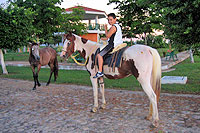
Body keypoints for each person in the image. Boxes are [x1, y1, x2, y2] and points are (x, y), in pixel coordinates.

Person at [93, 13, 123, 78]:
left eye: (111, 20)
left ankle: (100, 72)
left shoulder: (113, 27)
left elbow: (107, 36)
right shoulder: (118, 26)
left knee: (99, 55)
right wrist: (101, 38)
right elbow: (108, 38)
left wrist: (105, 29)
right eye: (108, 20)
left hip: (112, 45)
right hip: (118, 43)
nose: (109, 21)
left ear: (115, 19)